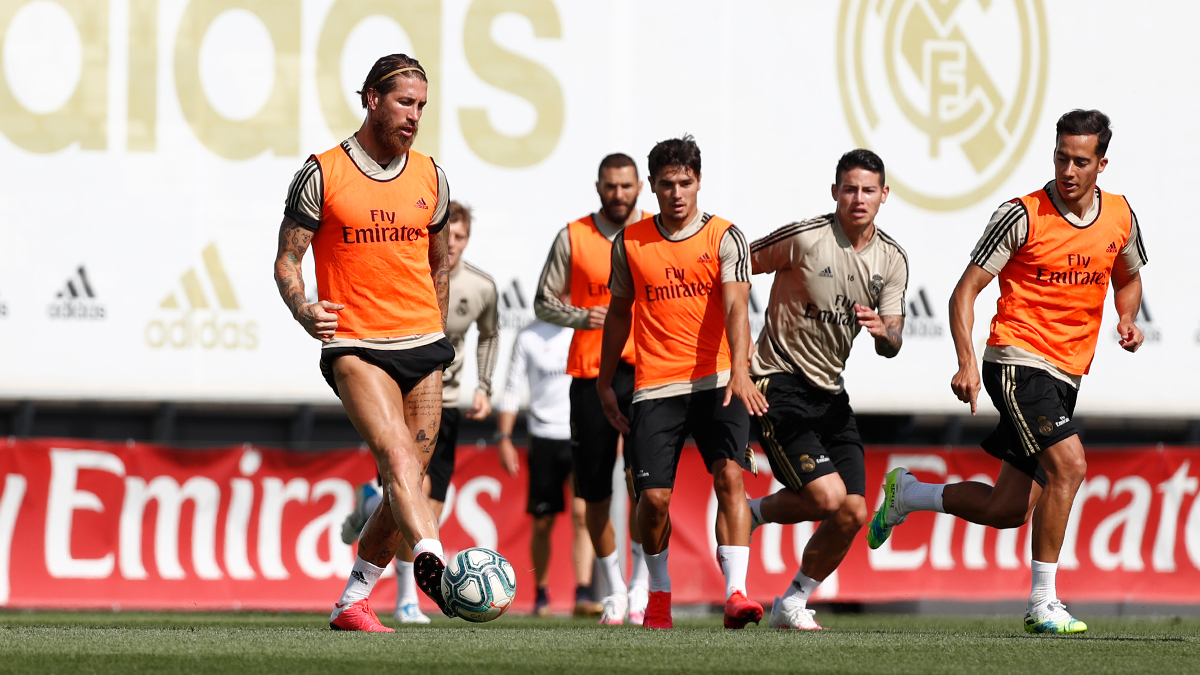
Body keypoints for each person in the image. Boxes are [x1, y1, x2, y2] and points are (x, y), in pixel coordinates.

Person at [867, 109, 1149, 635]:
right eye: (1061, 157)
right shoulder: (1022, 215)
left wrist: (1127, 318)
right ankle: (1043, 602)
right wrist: (968, 363)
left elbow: (1127, 277)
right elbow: (964, 292)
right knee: (1070, 466)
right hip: (1017, 362)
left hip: (1067, 374)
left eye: (1080, 161)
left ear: (1101, 164)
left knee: (1007, 509)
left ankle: (907, 494)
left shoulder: (1120, 216)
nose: (1068, 170)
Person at [273, 54, 455, 631]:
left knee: (411, 484)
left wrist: (438, 327)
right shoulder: (323, 172)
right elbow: (286, 260)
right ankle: (439, 567)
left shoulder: (431, 174)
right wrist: (304, 309)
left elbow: (439, 264)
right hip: (356, 343)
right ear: (372, 99)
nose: (415, 115)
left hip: (422, 342)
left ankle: (353, 600)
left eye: (422, 105)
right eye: (406, 102)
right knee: (398, 460)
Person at [598, 135, 769, 630]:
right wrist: (606, 382)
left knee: (731, 477)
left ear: (699, 182)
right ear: (651, 186)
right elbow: (616, 315)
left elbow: (737, 304)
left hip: (720, 379)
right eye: (668, 183)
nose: (677, 192)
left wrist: (740, 368)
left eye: (686, 183)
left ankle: (736, 594)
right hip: (656, 386)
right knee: (652, 501)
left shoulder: (726, 236)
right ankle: (658, 593)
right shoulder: (630, 242)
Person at [745, 149, 909, 630]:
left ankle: (792, 601)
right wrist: (736, 361)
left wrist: (885, 333)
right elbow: (734, 268)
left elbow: (892, 341)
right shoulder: (805, 238)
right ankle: (752, 512)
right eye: (850, 188)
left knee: (853, 512)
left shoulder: (892, 260)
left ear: (883, 195)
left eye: (868, 190)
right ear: (835, 191)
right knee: (827, 497)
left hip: (831, 394)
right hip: (778, 381)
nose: (859, 198)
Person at [339, 201, 499, 624]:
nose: (451, 245)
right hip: (398, 393)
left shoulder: (481, 287)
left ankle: (372, 504)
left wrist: (483, 386)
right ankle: (408, 599)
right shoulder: (411, 278)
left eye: (460, 237)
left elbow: (489, 336)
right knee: (407, 483)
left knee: (428, 507)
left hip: (446, 403)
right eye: (449, 235)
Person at [534, 153, 652, 624]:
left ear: (639, 186)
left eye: (626, 186)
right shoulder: (573, 236)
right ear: (598, 186)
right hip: (589, 373)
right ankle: (614, 589)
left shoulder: (655, 232)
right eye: (610, 186)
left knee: (648, 490)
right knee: (595, 493)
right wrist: (583, 316)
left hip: (647, 374)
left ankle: (643, 585)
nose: (618, 194)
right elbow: (544, 301)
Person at [495, 317, 598, 617]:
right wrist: (503, 437)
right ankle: (541, 595)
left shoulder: (584, 329)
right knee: (543, 522)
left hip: (581, 435)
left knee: (583, 515)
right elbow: (512, 387)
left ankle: (584, 592)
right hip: (542, 438)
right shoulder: (529, 335)